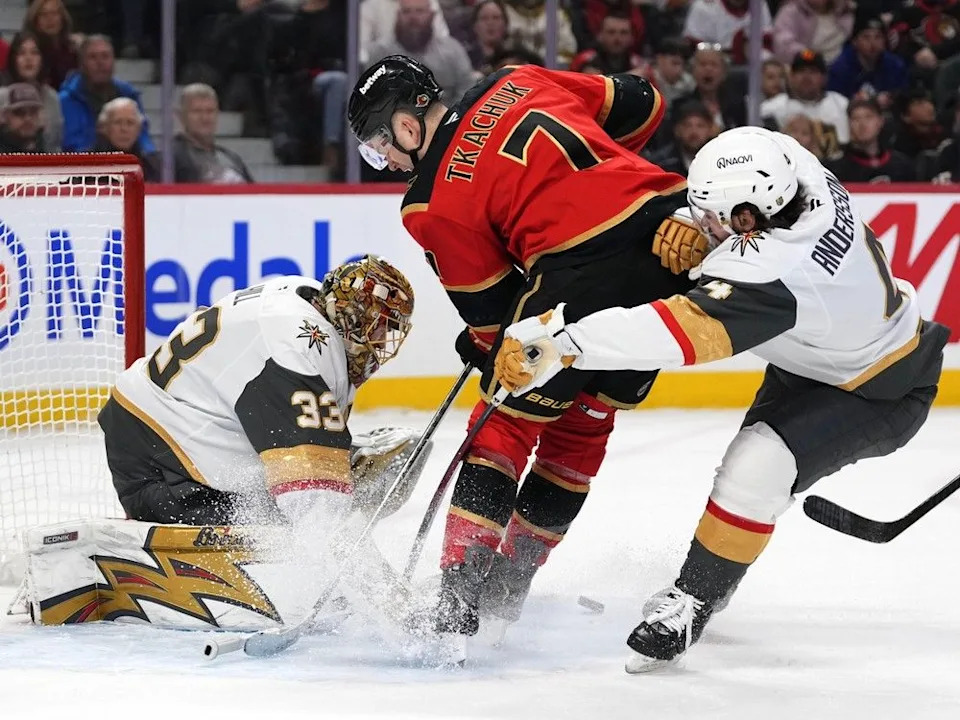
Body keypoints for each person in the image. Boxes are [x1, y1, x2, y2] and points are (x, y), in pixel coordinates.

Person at [492, 126, 949, 671]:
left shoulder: (776, 274)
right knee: (754, 479)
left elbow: (671, 334)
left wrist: (563, 343)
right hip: (825, 352)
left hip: (879, 388)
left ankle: (695, 602)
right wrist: (698, 226)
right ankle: (720, 570)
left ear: (748, 220)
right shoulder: (796, 171)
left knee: (755, 467)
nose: (704, 223)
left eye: (715, 217)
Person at [347, 56, 706, 640]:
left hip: (578, 276)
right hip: (670, 242)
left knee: (503, 426)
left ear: (407, 128)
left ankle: (461, 602)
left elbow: (494, 316)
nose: (384, 161)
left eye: (378, 145)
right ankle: (510, 584)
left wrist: (483, 345)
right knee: (586, 421)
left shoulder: (430, 201)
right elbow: (644, 103)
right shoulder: (515, 78)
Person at [98, 257, 417, 530]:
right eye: (379, 326)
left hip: (159, 429)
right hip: (161, 466)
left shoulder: (304, 298)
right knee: (286, 518)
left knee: (322, 480)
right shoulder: (298, 347)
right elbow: (314, 503)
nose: (381, 341)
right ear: (351, 316)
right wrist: (364, 583)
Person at [366, 0, 475, 103]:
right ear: (398, 16)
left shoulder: (453, 51)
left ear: (432, 15)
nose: (413, 17)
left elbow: (467, 93)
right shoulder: (380, 52)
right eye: (406, 11)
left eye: (419, 11)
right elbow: (368, 98)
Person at [59, 35, 154, 153]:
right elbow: (71, 145)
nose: (100, 63)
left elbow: (143, 137)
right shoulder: (67, 99)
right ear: (82, 64)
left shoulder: (129, 94)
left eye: (105, 56)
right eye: (93, 57)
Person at [761, 49, 848, 159]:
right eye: (801, 71)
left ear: (824, 77)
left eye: (813, 71)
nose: (806, 77)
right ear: (791, 76)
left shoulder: (841, 104)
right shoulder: (770, 108)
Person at [174, 83, 254, 184]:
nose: (204, 118)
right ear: (181, 116)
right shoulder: (169, 159)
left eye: (210, 111)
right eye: (197, 111)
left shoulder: (231, 158)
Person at [827, 14, 907, 109]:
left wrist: (891, 98)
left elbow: (903, 96)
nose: (872, 43)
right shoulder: (840, 69)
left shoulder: (895, 65)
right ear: (855, 41)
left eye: (878, 37)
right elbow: (834, 103)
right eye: (866, 37)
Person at [829, 97, 916, 182]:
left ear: (881, 121)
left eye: (868, 117)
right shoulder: (836, 170)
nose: (862, 124)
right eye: (856, 118)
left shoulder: (902, 165)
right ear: (848, 124)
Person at [3, 30, 63, 151]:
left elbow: (56, 143)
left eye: (34, 53)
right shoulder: (2, 95)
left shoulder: (51, 97)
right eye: (22, 53)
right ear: (13, 58)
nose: (28, 58)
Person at [683, 0, 773, 65]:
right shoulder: (704, 6)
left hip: (749, 63)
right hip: (711, 60)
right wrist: (716, 53)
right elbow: (692, 45)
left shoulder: (759, 4)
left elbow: (767, 42)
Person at [93, 97, 161, 182]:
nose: (124, 129)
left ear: (138, 129)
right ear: (104, 127)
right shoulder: (86, 164)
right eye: (117, 122)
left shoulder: (151, 166)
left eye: (130, 123)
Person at [644, 100, 716, 176]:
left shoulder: (719, 160)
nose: (694, 132)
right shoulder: (660, 163)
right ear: (677, 130)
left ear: (710, 130)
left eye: (700, 126)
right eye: (687, 125)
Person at [773, 0, 854, 65]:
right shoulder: (791, 11)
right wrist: (810, 56)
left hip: (842, 66)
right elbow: (783, 45)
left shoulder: (845, 9)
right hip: (807, 66)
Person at [23, 0, 77, 90]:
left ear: (62, 17)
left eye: (54, 13)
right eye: (43, 14)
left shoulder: (73, 50)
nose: (50, 19)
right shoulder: (30, 52)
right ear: (35, 20)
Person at [569, 12, 644, 75]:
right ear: (600, 35)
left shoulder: (639, 65)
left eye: (623, 33)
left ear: (631, 36)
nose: (617, 38)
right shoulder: (584, 61)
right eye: (611, 32)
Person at [0, 83, 47, 152]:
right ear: (5, 116)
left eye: (33, 111)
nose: (27, 118)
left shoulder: (43, 144)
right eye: (19, 112)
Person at [465, 0, 509, 74]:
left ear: (505, 24)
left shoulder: (514, 57)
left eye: (496, 18)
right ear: (475, 26)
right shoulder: (465, 58)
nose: (490, 23)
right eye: (484, 18)